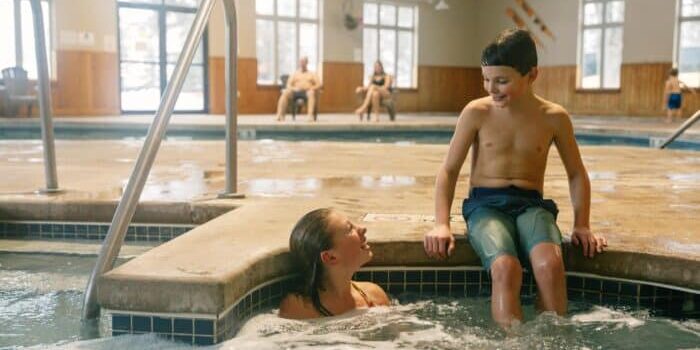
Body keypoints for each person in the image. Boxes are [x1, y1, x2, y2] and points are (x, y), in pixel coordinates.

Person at [423, 29, 607, 328]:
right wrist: (441, 223)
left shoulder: (553, 117)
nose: (491, 88)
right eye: (486, 79)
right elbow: (448, 170)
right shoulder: (476, 112)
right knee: (506, 268)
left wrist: (582, 224)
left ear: (532, 74)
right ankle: (513, 342)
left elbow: (576, 172)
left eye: (502, 81)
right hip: (485, 206)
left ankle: (553, 340)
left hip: (531, 205)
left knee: (550, 265)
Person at [279, 208, 390, 319]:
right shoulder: (299, 308)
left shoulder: (374, 295)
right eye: (350, 229)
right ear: (330, 257)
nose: (362, 229)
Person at [276, 57, 322, 122]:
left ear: (307, 63)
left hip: (307, 92)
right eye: (301, 62)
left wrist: (311, 88)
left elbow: (319, 84)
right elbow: (288, 85)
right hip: (295, 91)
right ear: (299, 63)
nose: (302, 63)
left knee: (311, 93)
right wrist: (294, 88)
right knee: (285, 93)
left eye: (304, 62)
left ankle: (310, 116)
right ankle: (280, 115)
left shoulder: (312, 73)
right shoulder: (295, 73)